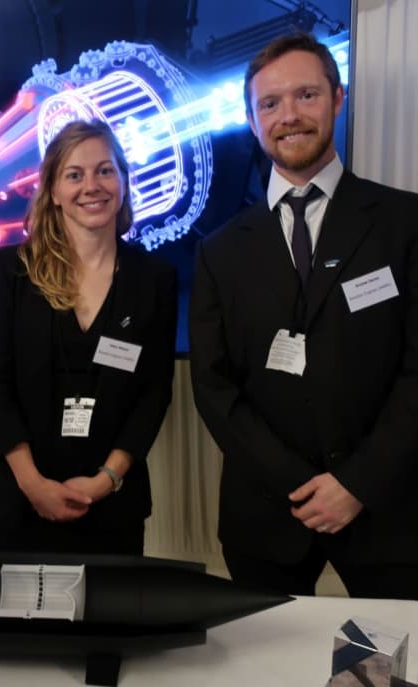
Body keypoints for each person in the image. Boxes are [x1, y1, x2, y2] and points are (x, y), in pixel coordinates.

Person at [189, 33, 418, 598]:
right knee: (272, 673)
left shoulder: (404, 223)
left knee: (374, 672)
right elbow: (214, 389)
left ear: (338, 99)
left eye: (306, 95)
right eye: (270, 104)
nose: (288, 116)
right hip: (266, 517)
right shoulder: (219, 251)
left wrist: (354, 483)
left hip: (385, 512)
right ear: (250, 117)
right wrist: (300, 485)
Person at [0, 118, 177, 555]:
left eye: (105, 170)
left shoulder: (155, 279)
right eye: (75, 174)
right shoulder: (15, 269)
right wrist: (33, 485)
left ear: (123, 181)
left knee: (109, 623)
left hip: (113, 506)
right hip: (22, 503)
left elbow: (154, 394)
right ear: (52, 191)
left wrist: (106, 480)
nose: (93, 186)